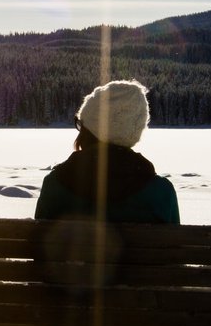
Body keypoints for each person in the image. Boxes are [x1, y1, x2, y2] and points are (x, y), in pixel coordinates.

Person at [35, 79, 178, 224]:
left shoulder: (54, 185)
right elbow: (175, 244)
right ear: (132, 133)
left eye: (81, 125)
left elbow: (36, 243)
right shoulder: (162, 193)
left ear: (88, 131)